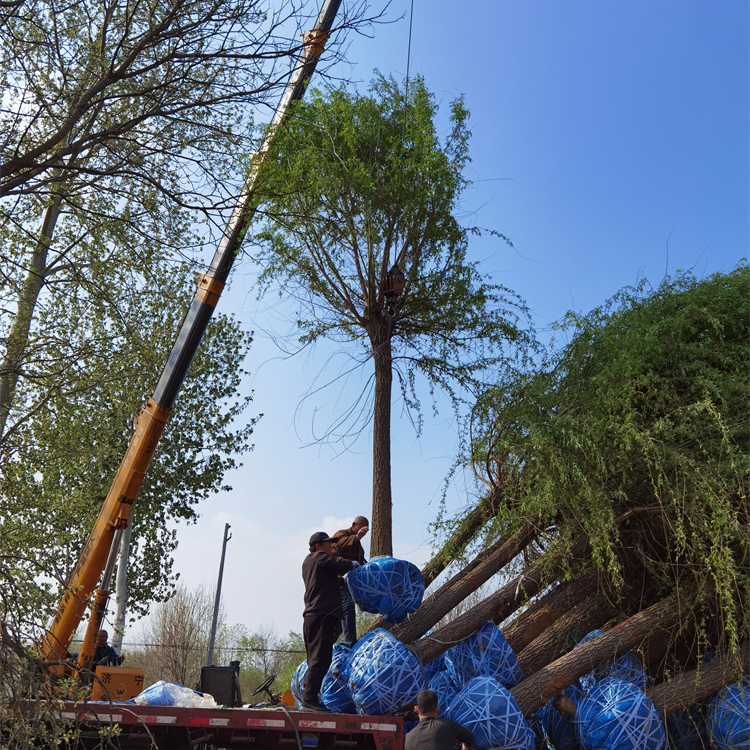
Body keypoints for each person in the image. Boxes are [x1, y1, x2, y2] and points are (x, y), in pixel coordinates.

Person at [301, 531, 359, 712]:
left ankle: (309, 699)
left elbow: (331, 579)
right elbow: (341, 565)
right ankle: (309, 701)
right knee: (320, 659)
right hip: (322, 616)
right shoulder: (319, 557)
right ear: (318, 546)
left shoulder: (309, 563)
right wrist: (355, 564)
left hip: (312, 617)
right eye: (328, 543)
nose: (331, 546)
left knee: (315, 660)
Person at [332, 516, 369, 647]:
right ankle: (350, 645)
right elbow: (337, 544)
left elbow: (361, 562)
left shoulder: (359, 547)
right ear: (354, 525)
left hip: (348, 586)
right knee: (348, 607)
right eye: (362, 530)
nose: (363, 534)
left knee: (338, 622)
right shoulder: (341, 534)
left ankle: (325, 646)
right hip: (335, 582)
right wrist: (356, 537)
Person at [405, 689, 474, 750]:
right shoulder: (448, 725)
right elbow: (470, 739)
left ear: (416, 709)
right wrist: (465, 747)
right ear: (437, 709)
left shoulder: (408, 738)